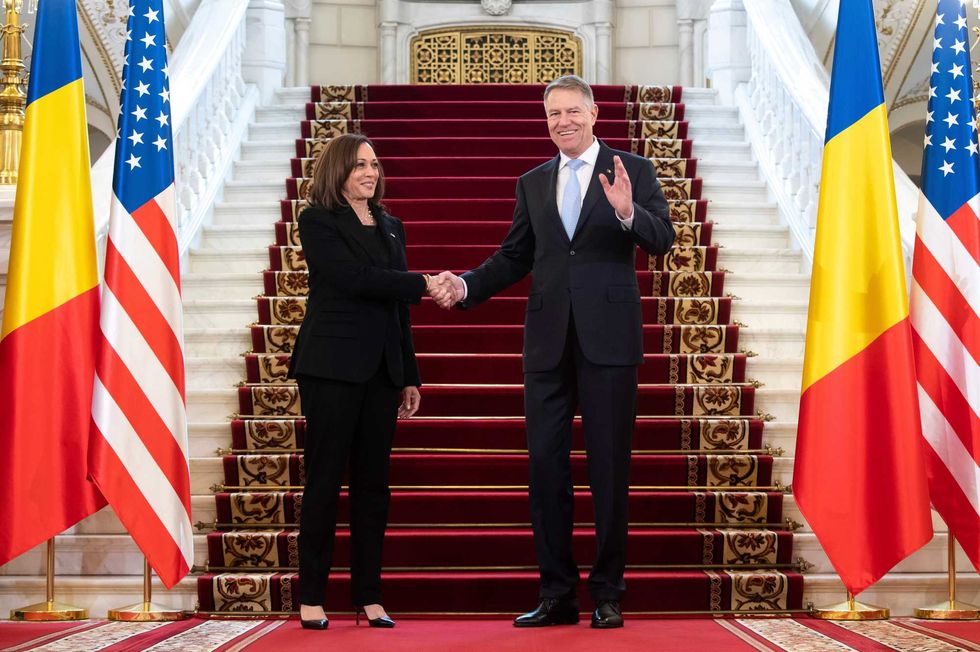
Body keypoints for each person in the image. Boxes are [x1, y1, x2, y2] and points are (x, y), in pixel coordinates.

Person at [435, 75, 675, 628]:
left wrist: (627, 214)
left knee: (608, 469)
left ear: (593, 114)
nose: (562, 122)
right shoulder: (532, 182)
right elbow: (515, 255)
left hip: (609, 341)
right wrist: (467, 285)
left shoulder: (633, 170)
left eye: (572, 111)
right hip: (547, 344)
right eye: (553, 114)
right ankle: (557, 594)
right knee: (546, 469)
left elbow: (662, 239)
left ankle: (608, 593)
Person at [287, 133, 455, 630]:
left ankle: (368, 596)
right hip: (331, 368)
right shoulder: (317, 220)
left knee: (373, 487)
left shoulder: (391, 225)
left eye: (375, 165)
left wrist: (409, 375)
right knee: (324, 481)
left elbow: (397, 309)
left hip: (382, 371)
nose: (370, 173)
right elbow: (351, 278)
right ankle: (312, 595)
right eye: (360, 165)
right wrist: (424, 282)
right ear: (338, 170)